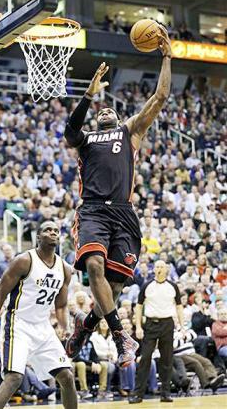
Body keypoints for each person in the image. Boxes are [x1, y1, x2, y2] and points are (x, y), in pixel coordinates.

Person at [65, 24, 171, 368]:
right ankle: (121, 335)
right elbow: (70, 131)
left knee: (114, 285)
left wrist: (167, 57)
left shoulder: (130, 132)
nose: (105, 112)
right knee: (94, 265)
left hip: (124, 214)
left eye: (109, 110)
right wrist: (88, 96)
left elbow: (160, 97)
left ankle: (87, 325)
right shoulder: (86, 141)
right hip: (93, 210)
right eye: (100, 112)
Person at [0, 221, 77, 409]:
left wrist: (66, 327)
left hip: (43, 327)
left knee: (67, 376)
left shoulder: (64, 268)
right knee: (14, 377)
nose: (53, 232)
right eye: (48, 229)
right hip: (18, 324)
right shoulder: (24, 261)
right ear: (38, 237)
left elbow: (61, 305)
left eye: (56, 230)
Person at [129, 260, 184, 404]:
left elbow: (179, 307)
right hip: (151, 324)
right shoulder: (147, 285)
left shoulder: (173, 287)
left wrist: (182, 326)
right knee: (145, 358)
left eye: (162, 267)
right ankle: (138, 394)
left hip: (167, 324)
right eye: (157, 266)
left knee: (167, 360)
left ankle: (165, 393)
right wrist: (139, 327)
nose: (159, 269)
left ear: (166, 270)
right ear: (154, 270)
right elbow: (139, 306)